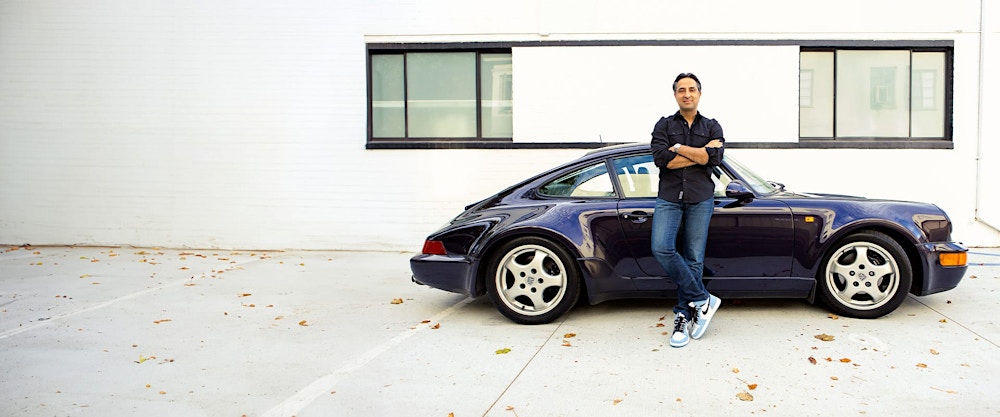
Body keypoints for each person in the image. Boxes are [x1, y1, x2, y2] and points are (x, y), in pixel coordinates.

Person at [650, 73, 724, 348]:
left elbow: (713, 158)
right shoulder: (664, 124)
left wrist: (679, 148)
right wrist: (700, 153)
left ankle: (684, 315)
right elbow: (662, 161)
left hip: (700, 198)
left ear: (699, 94)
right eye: (681, 90)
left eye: (692, 89)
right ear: (675, 95)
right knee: (662, 247)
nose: (687, 94)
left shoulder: (712, 125)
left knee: (694, 258)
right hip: (669, 197)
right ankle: (703, 298)